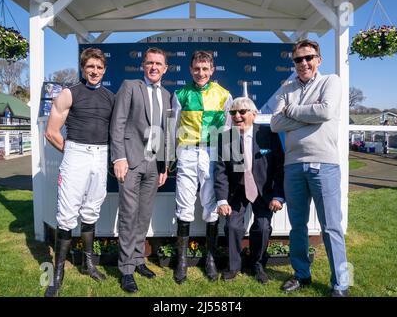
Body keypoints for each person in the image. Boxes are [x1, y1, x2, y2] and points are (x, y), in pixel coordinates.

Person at [270, 39, 350, 297]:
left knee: (331, 227)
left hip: (324, 165)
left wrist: (292, 111)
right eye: (298, 59)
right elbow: (275, 124)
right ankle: (301, 275)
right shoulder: (287, 86)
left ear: (318, 59)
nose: (303, 63)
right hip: (293, 165)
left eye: (309, 58)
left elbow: (325, 112)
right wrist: (308, 118)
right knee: (298, 226)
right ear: (293, 62)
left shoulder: (331, 82)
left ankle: (341, 284)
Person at [44, 48, 114, 297]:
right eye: (90, 67)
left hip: (101, 154)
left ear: (104, 70)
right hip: (76, 153)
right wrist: (73, 152)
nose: (94, 71)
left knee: (91, 209)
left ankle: (88, 264)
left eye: (99, 67)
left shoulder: (110, 97)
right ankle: (57, 275)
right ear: (83, 68)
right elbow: (51, 132)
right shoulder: (68, 94)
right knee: (66, 214)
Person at [110, 47, 170, 293]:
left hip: (154, 165)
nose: (154, 67)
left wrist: (164, 166)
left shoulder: (167, 95)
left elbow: (165, 132)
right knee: (128, 215)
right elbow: (118, 123)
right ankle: (125, 269)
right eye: (149, 63)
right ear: (143, 66)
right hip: (131, 161)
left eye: (158, 64)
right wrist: (119, 158)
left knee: (144, 215)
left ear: (165, 69)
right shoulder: (130, 86)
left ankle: (137, 260)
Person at [172, 50, 233, 284]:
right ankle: (182, 261)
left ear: (212, 70)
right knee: (184, 205)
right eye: (197, 68)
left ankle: (210, 259)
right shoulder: (180, 94)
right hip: (186, 151)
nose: (200, 73)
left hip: (212, 152)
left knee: (211, 206)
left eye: (205, 69)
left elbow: (228, 130)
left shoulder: (224, 95)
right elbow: (172, 126)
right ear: (190, 69)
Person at [214, 97, 285, 284]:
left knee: (262, 227)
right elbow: (220, 172)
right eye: (233, 112)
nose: (237, 116)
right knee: (232, 226)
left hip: (264, 192)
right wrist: (222, 200)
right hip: (237, 191)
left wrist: (278, 195)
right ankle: (233, 266)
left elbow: (279, 167)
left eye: (242, 112)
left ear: (253, 115)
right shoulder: (226, 138)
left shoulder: (268, 134)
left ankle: (258, 265)